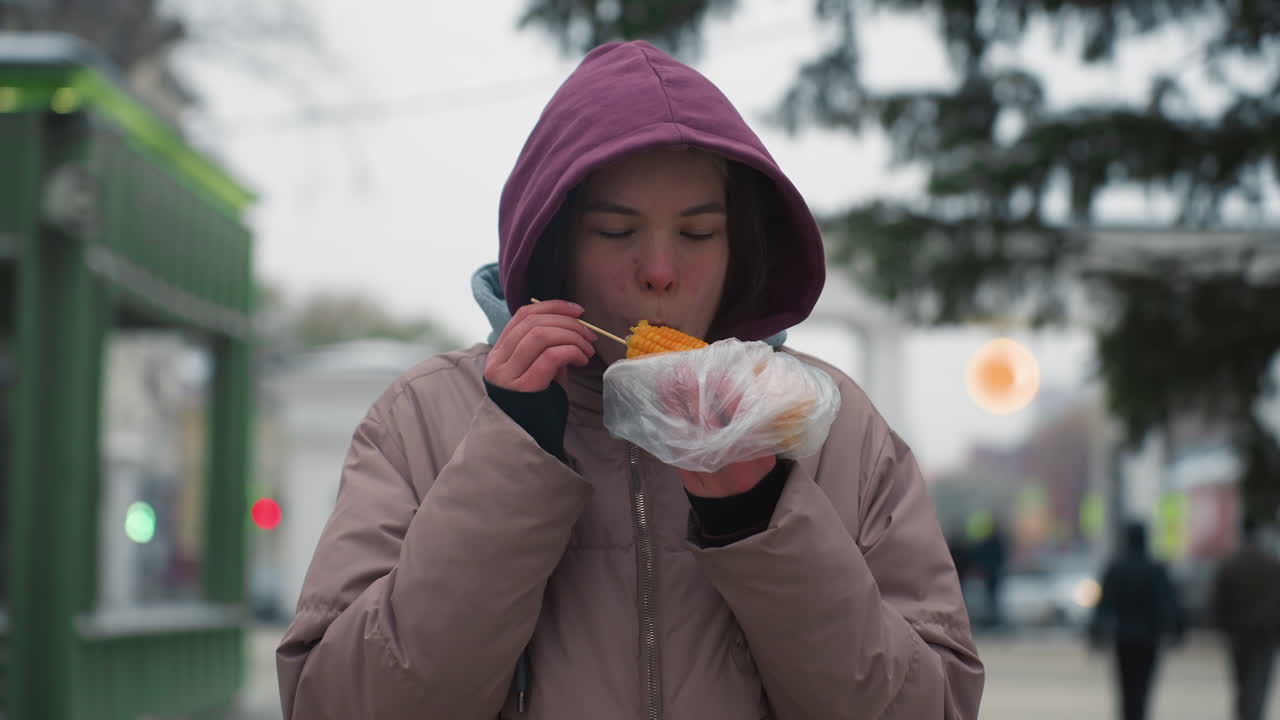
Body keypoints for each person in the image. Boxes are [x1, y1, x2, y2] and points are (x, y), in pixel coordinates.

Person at [275, 40, 984, 719]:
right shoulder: (425, 418)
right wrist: (513, 455)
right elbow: (336, 705)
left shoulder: (834, 430)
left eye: (698, 233)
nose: (661, 271)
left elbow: (931, 707)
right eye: (617, 233)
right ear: (555, 245)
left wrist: (761, 514)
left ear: (742, 246)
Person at [1089, 521, 1186, 720]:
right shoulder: (1155, 569)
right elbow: (1168, 603)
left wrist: (1096, 634)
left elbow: (1104, 605)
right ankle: (1139, 715)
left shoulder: (1116, 568)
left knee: (1125, 687)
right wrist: (1177, 631)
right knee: (1144, 685)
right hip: (1149, 639)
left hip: (1123, 638)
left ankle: (1129, 715)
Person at [1209, 517, 1280, 720]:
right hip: (1266, 634)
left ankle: (1244, 714)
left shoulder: (1230, 564)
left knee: (1241, 682)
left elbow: (1218, 601)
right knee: (1259, 683)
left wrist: (1222, 627)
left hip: (1238, 632)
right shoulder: (1272, 565)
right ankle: (1254, 714)